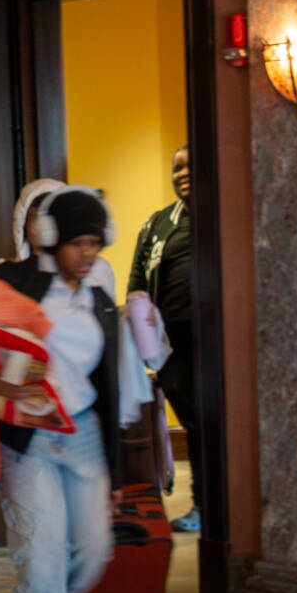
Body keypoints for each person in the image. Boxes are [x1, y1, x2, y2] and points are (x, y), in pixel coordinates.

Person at [0, 186, 126, 593]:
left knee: (92, 551)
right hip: (28, 435)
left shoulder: (99, 300)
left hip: (82, 433)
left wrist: (121, 474)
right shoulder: (8, 284)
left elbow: (111, 388)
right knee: (40, 552)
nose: (88, 254)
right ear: (47, 236)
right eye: (79, 242)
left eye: (96, 244)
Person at [129, 146, 200, 533]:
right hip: (174, 349)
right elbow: (138, 285)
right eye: (176, 167)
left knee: (219, 426)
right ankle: (204, 505)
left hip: (223, 346)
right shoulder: (158, 225)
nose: (182, 173)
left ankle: (225, 505)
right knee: (195, 425)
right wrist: (144, 350)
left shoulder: (230, 212)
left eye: (190, 165)